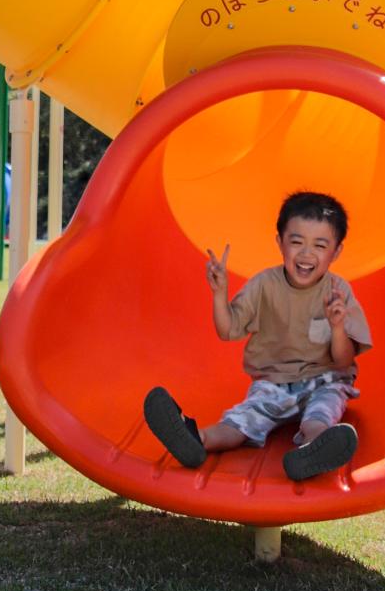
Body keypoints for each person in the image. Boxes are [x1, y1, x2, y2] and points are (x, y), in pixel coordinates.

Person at [143, 190, 372, 482]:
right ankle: (195, 439)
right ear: (280, 243)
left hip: (325, 378)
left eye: (319, 245)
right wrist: (219, 294)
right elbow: (228, 331)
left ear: (336, 252)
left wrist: (338, 326)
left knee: (321, 414)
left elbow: (343, 361)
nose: (305, 254)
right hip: (273, 381)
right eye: (297, 242)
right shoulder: (264, 285)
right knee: (242, 420)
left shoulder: (338, 292)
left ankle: (313, 450)